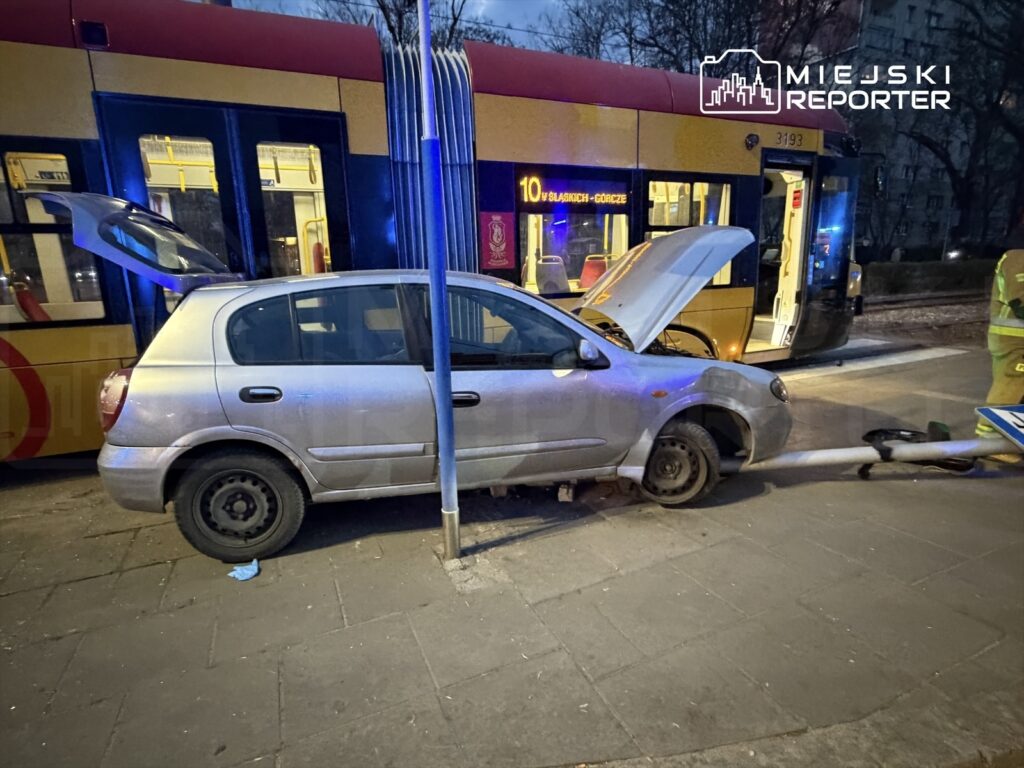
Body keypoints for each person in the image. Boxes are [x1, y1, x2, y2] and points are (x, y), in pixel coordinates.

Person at [976, 217, 1024, 462]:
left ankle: (1005, 437)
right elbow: (1020, 300)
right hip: (1013, 338)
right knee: (1011, 386)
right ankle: (992, 443)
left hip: (1015, 337)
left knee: (1014, 387)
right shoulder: (1018, 256)